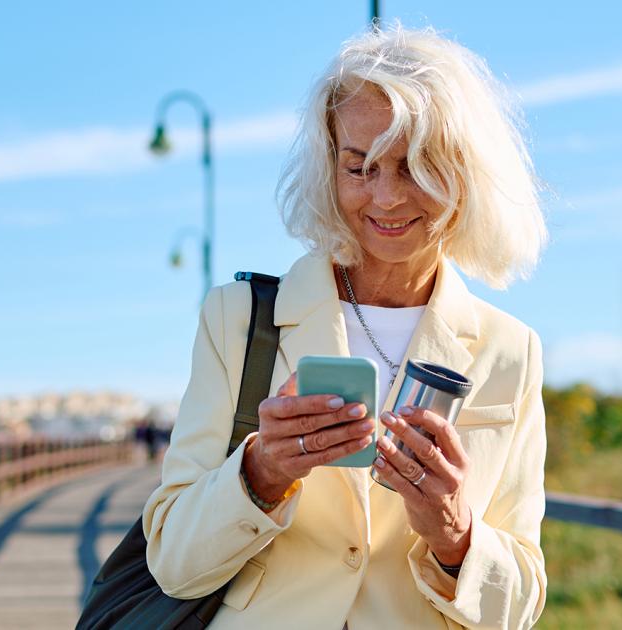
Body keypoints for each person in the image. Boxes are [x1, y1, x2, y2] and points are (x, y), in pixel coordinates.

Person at [142, 23, 549, 630]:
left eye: (414, 166)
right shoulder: (238, 319)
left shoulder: (510, 351)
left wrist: (457, 536)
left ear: (466, 173)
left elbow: (517, 609)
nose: (385, 198)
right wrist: (261, 473)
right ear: (329, 168)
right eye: (359, 167)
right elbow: (174, 565)